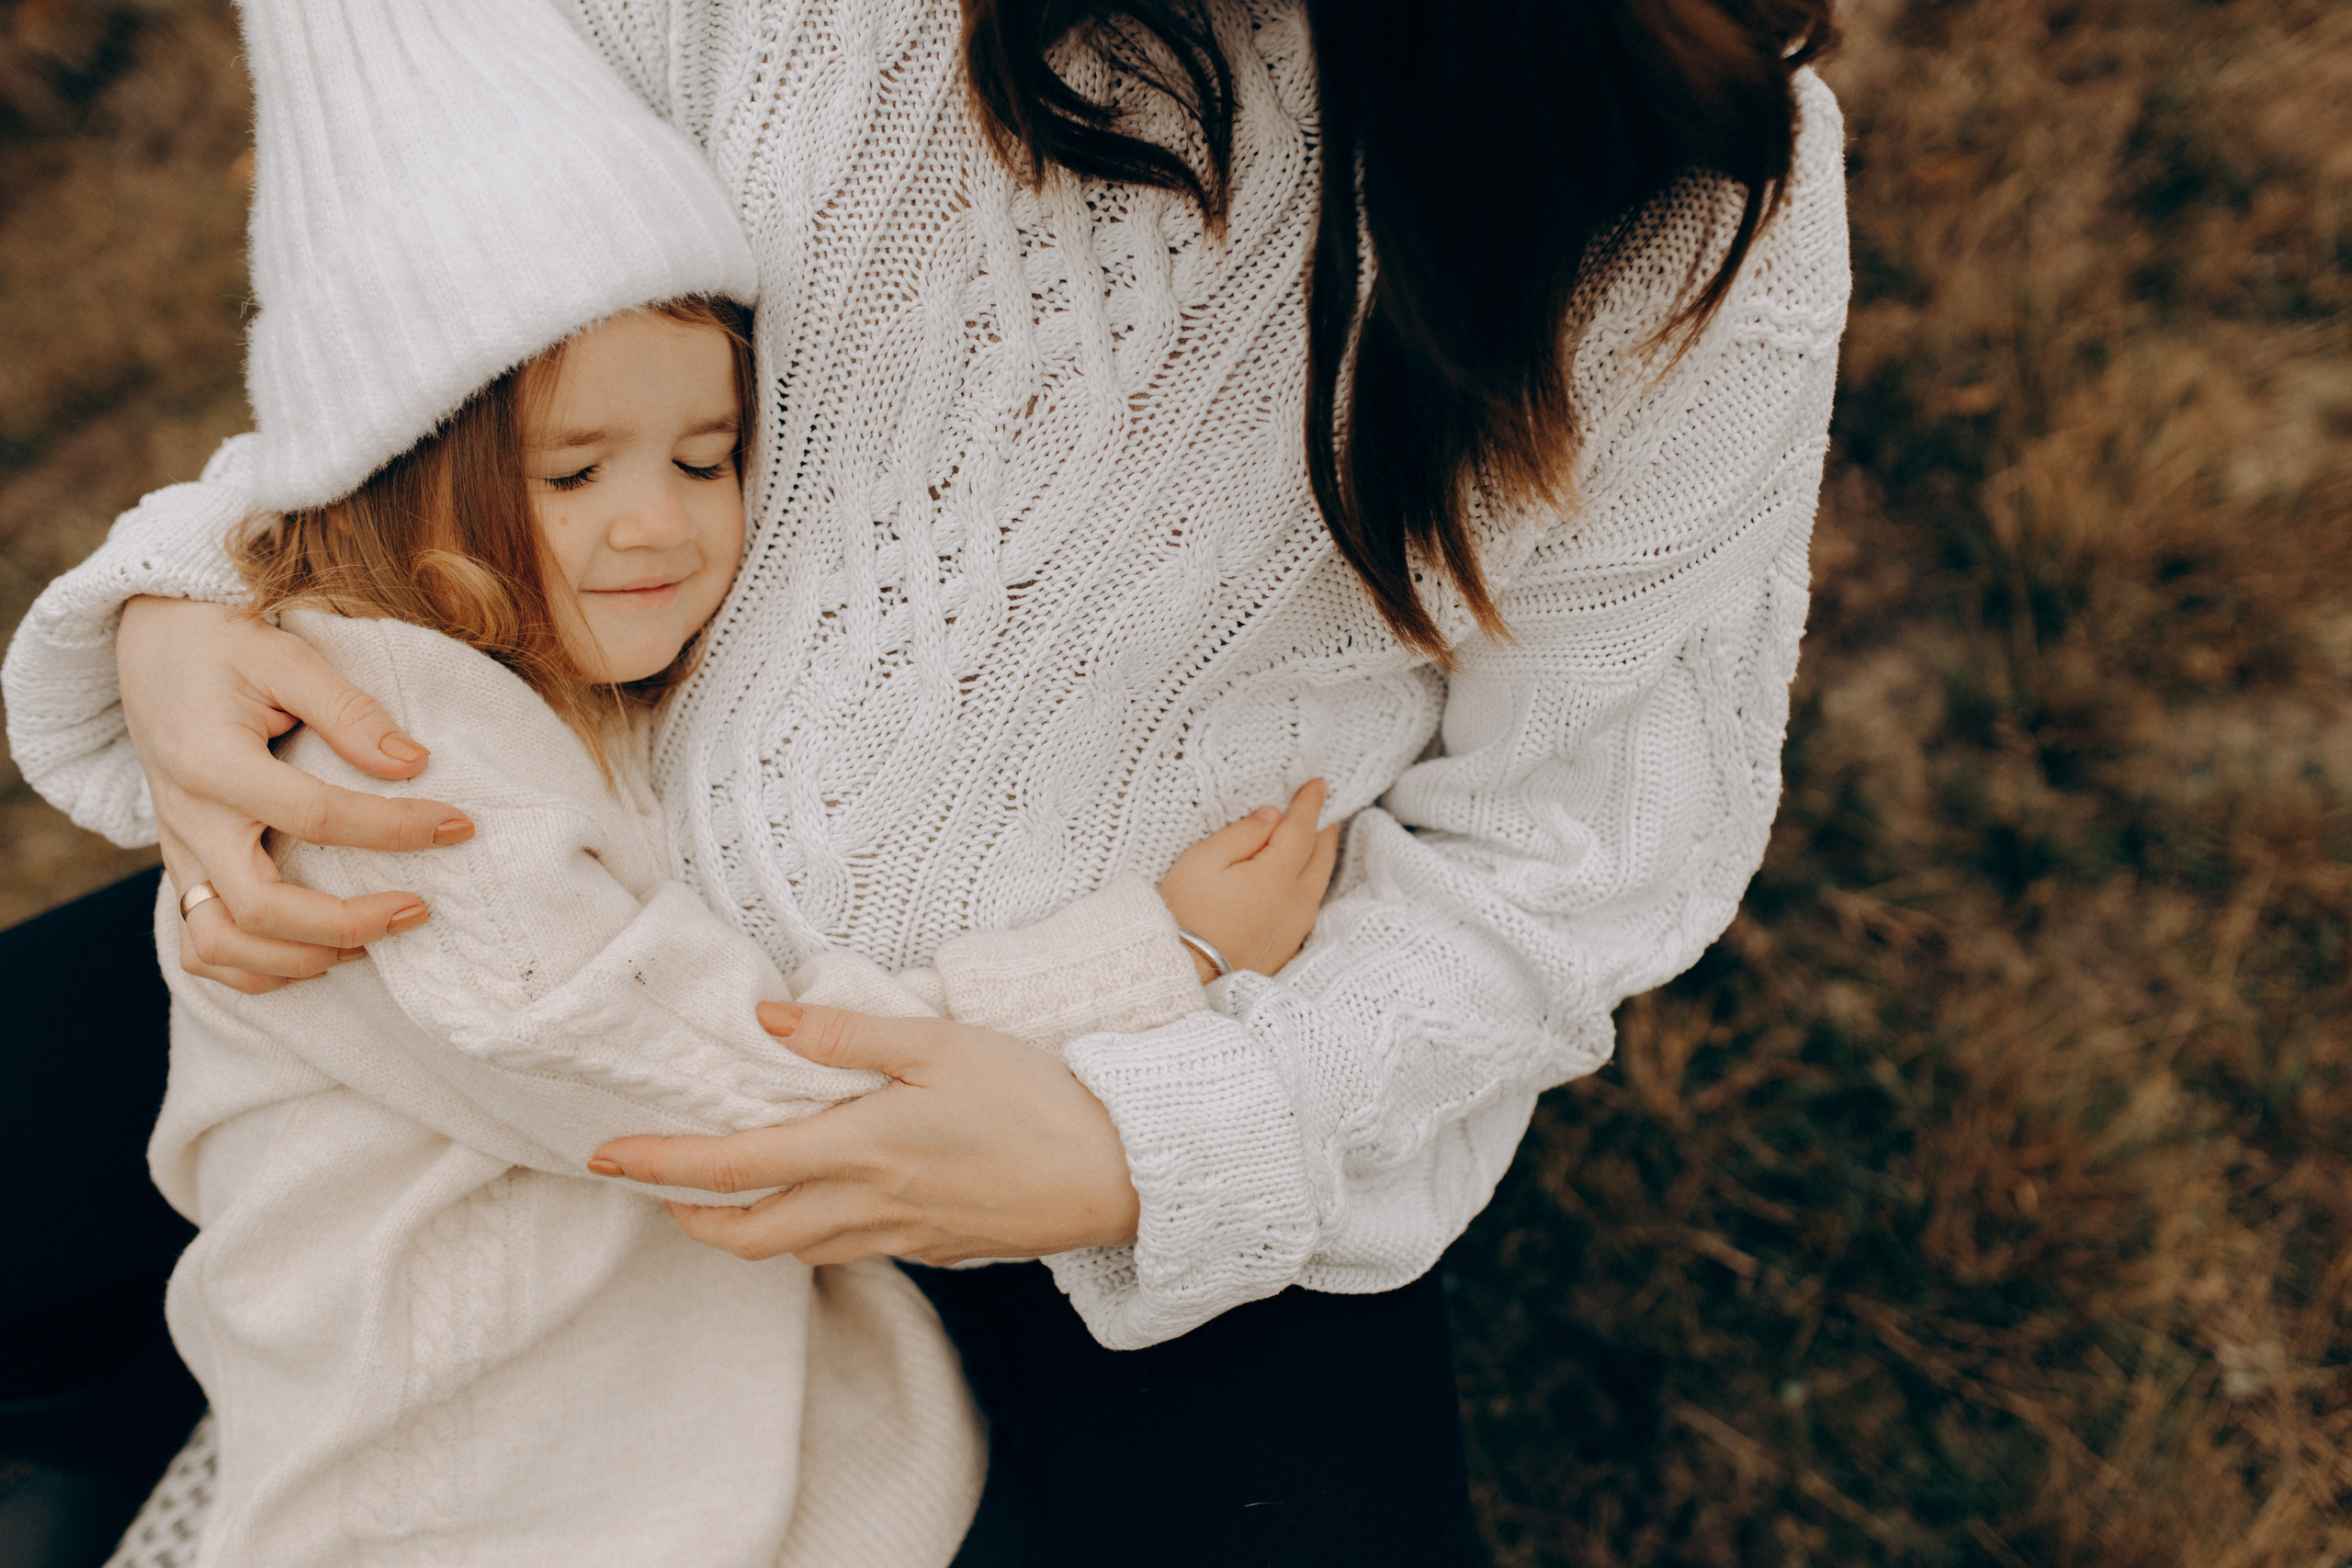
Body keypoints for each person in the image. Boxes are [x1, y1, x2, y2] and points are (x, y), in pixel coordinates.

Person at [2, 0, 1849, 1562]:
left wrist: (1156, 1135)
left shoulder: (1691, 207)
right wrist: (202, 582)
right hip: (573, 918)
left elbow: (1564, 861)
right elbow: (482, 279)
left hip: (1136, 1069)